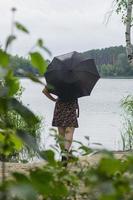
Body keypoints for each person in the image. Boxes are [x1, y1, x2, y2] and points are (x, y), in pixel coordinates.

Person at [42, 86, 79, 166]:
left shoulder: (56, 80)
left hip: (60, 106)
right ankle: (65, 154)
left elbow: (44, 91)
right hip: (71, 107)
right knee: (69, 132)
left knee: (61, 134)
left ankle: (64, 154)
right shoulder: (76, 81)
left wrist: (54, 99)